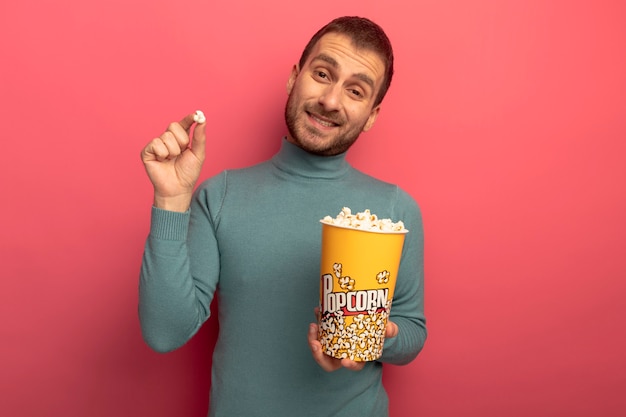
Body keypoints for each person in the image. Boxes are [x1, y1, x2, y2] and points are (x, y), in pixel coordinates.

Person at [139, 16, 426, 417]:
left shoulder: (396, 209)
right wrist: (171, 200)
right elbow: (165, 332)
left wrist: (371, 339)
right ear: (295, 77)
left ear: (373, 115)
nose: (330, 100)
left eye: (356, 91)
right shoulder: (220, 197)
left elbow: (412, 328)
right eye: (323, 73)